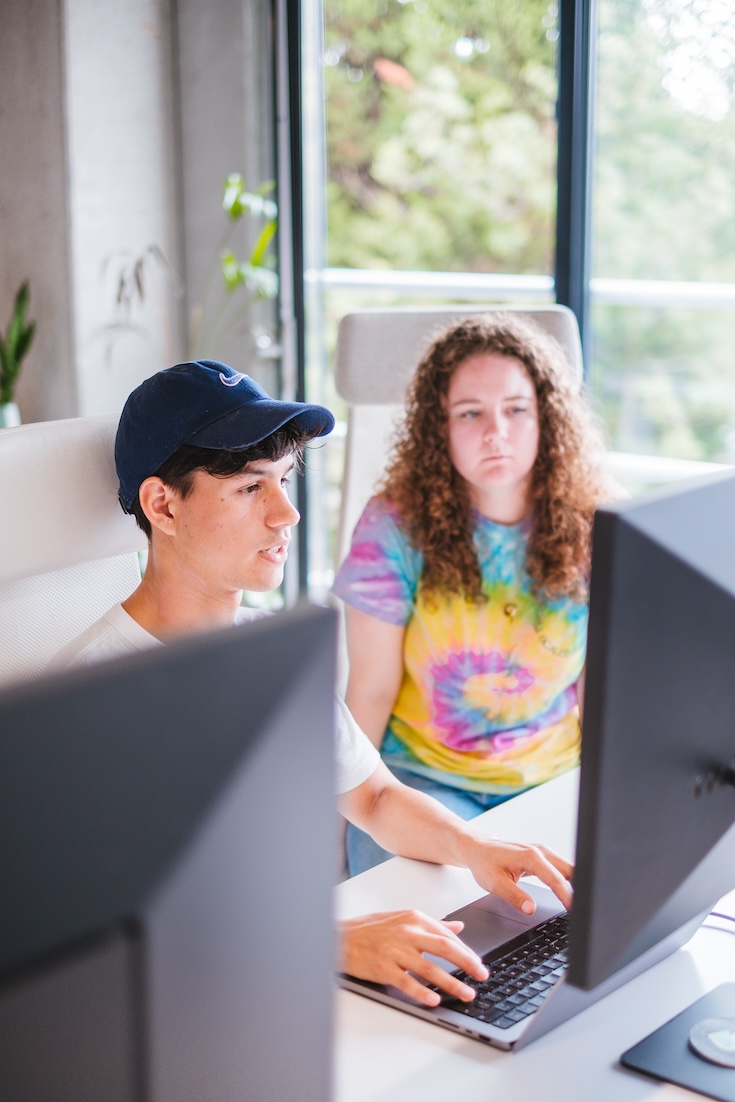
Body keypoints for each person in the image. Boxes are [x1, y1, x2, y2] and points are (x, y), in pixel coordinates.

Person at [52, 357, 573, 1008]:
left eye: (285, 481)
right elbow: (113, 929)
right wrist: (331, 942)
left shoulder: (270, 648)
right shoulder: (89, 698)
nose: (286, 515)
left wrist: (474, 846)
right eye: (249, 489)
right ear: (163, 504)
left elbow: (375, 797)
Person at [333, 313, 613, 875]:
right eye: (470, 413)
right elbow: (371, 688)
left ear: (547, 418)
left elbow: (603, 693)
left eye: (516, 409)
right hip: (424, 793)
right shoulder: (395, 524)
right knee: (424, 932)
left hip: (553, 787)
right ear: (439, 427)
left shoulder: (597, 524)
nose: (496, 432)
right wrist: (327, 832)